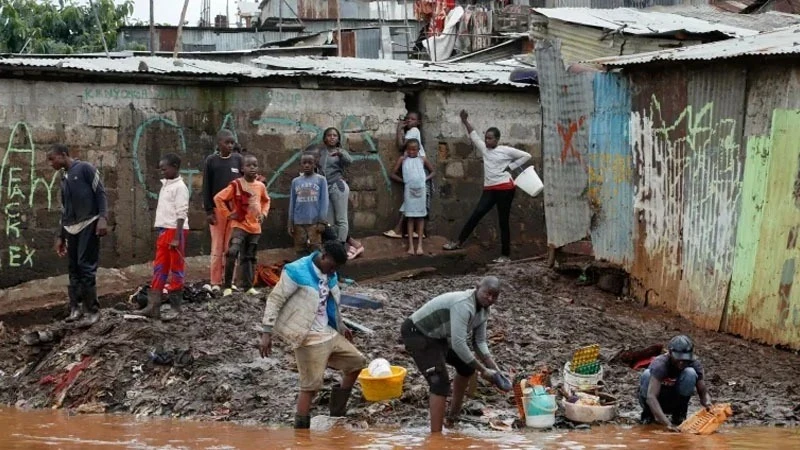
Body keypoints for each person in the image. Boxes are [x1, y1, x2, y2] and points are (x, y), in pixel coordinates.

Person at [259, 240, 366, 430]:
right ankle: (301, 433)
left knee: (356, 362)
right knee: (310, 386)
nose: (333, 272)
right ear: (324, 256)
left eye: (336, 269)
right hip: (307, 336)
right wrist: (267, 332)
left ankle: (336, 414)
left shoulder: (330, 274)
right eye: (332, 267)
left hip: (328, 332)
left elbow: (331, 303)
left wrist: (341, 326)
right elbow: (275, 299)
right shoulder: (296, 271)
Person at [401, 276, 511, 433]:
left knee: (466, 367)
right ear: (477, 287)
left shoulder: (484, 310)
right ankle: (436, 438)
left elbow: (479, 342)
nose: (490, 298)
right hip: (417, 332)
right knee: (439, 382)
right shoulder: (463, 304)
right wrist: (484, 371)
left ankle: (452, 419)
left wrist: (496, 371)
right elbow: (459, 344)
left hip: (439, 336)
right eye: (487, 293)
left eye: (495, 296)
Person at [443, 110, 531, 263]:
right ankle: (458, 242)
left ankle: (505, 255)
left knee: (503, 221)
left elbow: (526, 156)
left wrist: (511, 167)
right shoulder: (484, 149)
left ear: (497, 139)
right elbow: (474, 135)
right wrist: (465, 121)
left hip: (505, 189)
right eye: (486, 138)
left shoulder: (505, 150)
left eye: (490, 138)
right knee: (477, 213)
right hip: (490, 189)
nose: (487, 141)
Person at [48, 144, 109, 326]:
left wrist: (103, 218)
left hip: (88, 224)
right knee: (73, 268)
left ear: (64, 155)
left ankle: (93, 310)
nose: (51, 164)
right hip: (71, 228)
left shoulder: (85, 169)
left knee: (86, 266)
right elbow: (65, 209)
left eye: (53, 159)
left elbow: (101, 193)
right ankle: (76, 308)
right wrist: (61, 236)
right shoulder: (64, 177)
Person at [136, 153, 190, 320]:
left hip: (175, 231)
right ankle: (153, 306)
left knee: (176, 268)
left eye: (164, 169)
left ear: (174, 167)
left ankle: (175, 307)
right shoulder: (166, 185)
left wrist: (177, 237)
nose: (162, 172)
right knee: (160, 267)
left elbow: (182, 213)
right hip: (164, 230)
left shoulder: (180, 187)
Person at [214, 154, 270, 297]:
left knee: (250, 256)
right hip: (239, 225)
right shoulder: (236, 185)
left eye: (255, 165)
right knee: (232, 252)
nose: (252, 168)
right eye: (249, 165)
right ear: (242, 168)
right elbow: (219, 198)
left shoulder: (260, 186)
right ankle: (227, 286)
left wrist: (263, 214)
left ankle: (248, 286)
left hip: (255, 227)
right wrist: (228, 214)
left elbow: (266, 200)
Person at [639, 335, 712, 430]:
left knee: (690, 373)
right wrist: (667, 424)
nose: (681, 362)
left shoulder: (693, 363)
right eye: (678, 358)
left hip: (676, 401)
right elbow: (651, 397)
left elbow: (702, 391)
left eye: (685, 358)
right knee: (647, 374)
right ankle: (648, 415)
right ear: (669, 353)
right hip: (655, 402)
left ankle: (679, 415)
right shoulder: (660, 364)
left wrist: (708, 403)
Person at [202, 129, 243, 294]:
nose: (230, 145)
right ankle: (215, 281)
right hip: (218, 208)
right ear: (219, 144)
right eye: (227, 142)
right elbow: (206, 187)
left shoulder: (238, 159)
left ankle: (230, 280)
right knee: (217, 245)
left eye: (232, 143)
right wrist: (208, 211)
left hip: (235, 208)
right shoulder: (211, 161)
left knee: (231, 246)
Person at [384, 111, 429, 240]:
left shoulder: (414, 131)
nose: (409, 120)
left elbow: (401, 145)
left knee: (413, 201)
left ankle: (401, 230)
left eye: (413, 119)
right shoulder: (413, 133)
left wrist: (399, 129)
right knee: (414, 201)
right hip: (414, 169)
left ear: (418, 123)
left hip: (417, 169)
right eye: (407, 118)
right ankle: (414, 231)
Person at [390, 139, 435, 256]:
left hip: (421, 191)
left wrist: (425, 179)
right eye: (409, 149)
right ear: (406, 149)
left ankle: (419, 245)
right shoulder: (402, 159)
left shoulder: (422, 159)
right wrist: (404, 182)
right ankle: (410, 246)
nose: (411, 151)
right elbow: (392, 174)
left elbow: (433, 172)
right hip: (409, 191)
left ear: (418, 150)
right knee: (410, 217)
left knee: (420, 218)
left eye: (414, 149)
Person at [316, 127, 352, 244]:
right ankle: (333, 245)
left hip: (338, 187)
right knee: (329, 220)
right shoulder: (321, 153)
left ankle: (341, 245)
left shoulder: (340, 152)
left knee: (341, 219)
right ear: (325, 138)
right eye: (329, 135)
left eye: (335, 135)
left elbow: (349, 161)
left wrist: (340, 153)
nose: (332, 137)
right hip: (325, 188)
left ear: (338, 138)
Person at [289, 152, 329, 257]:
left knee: (316, 249)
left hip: (314, 222)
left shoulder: (321, 180)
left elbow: (324, 201)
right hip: (298, 223)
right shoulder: (295, 182)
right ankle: (303, 271)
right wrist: (290, 222)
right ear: (301, 165)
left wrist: (322, 221)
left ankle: (317, 271)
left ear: (315, 164)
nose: (307, 165)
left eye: (310, 163)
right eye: (304, 163)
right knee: (300, 250)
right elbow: (292, 203)